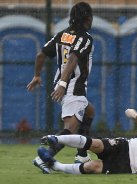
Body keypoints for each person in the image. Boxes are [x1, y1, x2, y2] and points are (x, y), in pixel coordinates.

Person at [26, 1, 95, 174]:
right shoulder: (86, 38)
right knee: (70, 128)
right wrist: (64, 85)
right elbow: (73, 58)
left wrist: (37, 75)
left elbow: (41, 54)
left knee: (89, 112)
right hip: (73, 85)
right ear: (87, 17)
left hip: (63, 83)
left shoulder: (62, 35)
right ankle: (44, 158)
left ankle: (82, 155)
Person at [38, 108, 137, 175]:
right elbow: (128, 111)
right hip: (126, 145)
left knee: (93, 166)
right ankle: (54, 138)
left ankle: (55, 165)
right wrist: (135, 115)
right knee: (95, 144)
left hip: (130, 166)